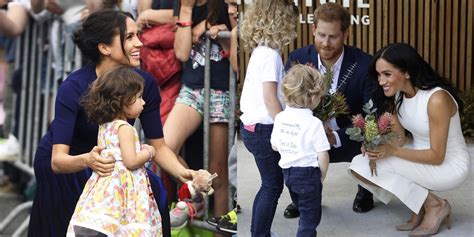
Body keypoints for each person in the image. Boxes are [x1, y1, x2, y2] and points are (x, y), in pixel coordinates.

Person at [28, 10, 195, 237]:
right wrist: (88, 160)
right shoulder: (73, 87)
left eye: (138, 35)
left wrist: (185, 174)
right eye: (129, 37)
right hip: (68, 168)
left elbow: (159, 146)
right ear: (104, 48)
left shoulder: (144, 83)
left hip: (111, 169)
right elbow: (58, 160)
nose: (140, 43)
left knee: (155, 189)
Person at [349, 43, 470, 236]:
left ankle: (435, 206)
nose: (381, 81)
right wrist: (375, 146)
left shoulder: (436, 99)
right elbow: (398, 140)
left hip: (448, 164)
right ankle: (425, 203)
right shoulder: (398, 97)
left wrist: (393, 152)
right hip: (417, 156)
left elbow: (437, 156)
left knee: (369, 165)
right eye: (379, 75)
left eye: (387, 74)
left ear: (406, 72)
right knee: (361, 164)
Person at [282, 2, 375, 218]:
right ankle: (303, 197)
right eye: (321, 35)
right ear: (313, 30)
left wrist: (337, 138)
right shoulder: (297, 59)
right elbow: (289, 106)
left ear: (345, 34)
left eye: (333, 36)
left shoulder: (364, 64)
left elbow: (371, 114)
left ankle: (366, 188)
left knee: (376, 136)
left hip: (348, 137)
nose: (325, 43)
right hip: (308, 138)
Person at [67, 66, 162, 236]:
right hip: (124, 187)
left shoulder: (105, 126)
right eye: (139, 97)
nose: (144, 102)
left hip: (106, 186)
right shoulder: (124, 128)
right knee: (126, 226)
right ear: (123, 101)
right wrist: (148, 152)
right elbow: (131, 161)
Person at [165, 0, 235, 227]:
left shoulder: (225, 4)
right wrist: (186, 10)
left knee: (219, 171)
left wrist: (214, 28)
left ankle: (221, 230)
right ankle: (195, 190)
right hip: (192, 88)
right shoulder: (183, 4)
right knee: (164, 146)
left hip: (222, 89)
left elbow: (237, 44)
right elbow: (183, 53)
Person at [239, 0, 298, 236]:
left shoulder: (260, 52)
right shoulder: (271, 55)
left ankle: (259, 232)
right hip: (264, 130)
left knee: (268, 184)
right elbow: (270, 98)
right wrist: (288, 125)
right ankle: (260, 233)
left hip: (253, 128)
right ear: (280, 22)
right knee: (272, 186)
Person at [270, 64, 330, 236]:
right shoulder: (314, 123)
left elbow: (274, 145)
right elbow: (323, 155)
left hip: (288, 174)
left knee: (301, 206)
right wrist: (321, 176)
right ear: (313, 98)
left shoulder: (280, 117)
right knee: (310, 219)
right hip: (308, 175)